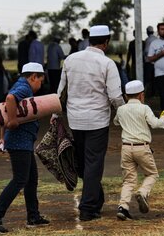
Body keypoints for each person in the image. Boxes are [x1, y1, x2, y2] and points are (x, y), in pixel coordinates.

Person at [53, 25, 125, 221]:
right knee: (93, 163)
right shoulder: (107, 63)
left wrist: (55, 114)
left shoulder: (70, 60)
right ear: (106, 42)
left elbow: (61, 92)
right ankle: (88, 207)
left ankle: (96, 198)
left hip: (75, 120)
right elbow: (115, 96)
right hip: (97, 120)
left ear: (89, 40)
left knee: (85, 163)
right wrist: (124, 114)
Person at [0, 62, 49, 234]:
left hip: (23, 142)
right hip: (20, 143)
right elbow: (10, 101)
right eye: (40, 81)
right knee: (20, 179)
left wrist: (2, 138)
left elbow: (3, 111)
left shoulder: (18, 85)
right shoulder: (24, 88)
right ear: (33, 77)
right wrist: (12, 121)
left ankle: (33, 216)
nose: (39, 86)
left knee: (31, 178)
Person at [113, 80, 164, 220]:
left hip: (126, 148)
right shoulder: (144, 108)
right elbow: (155, 124)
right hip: (142, 147)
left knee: (128, 180)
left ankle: (123, 207)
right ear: (141, 95)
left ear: (126, 96)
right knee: (152, 174)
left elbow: (116, 122)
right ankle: (143, 193)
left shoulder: (121, 109)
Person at [143, 26, 156, 96]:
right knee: (154, 79)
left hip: (148, 62)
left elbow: (146, 51)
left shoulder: (147, 40)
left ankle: (145, 93)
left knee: (147, 79)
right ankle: (153, 92)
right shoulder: (156, 39)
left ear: (147, 32)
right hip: (156, 62)